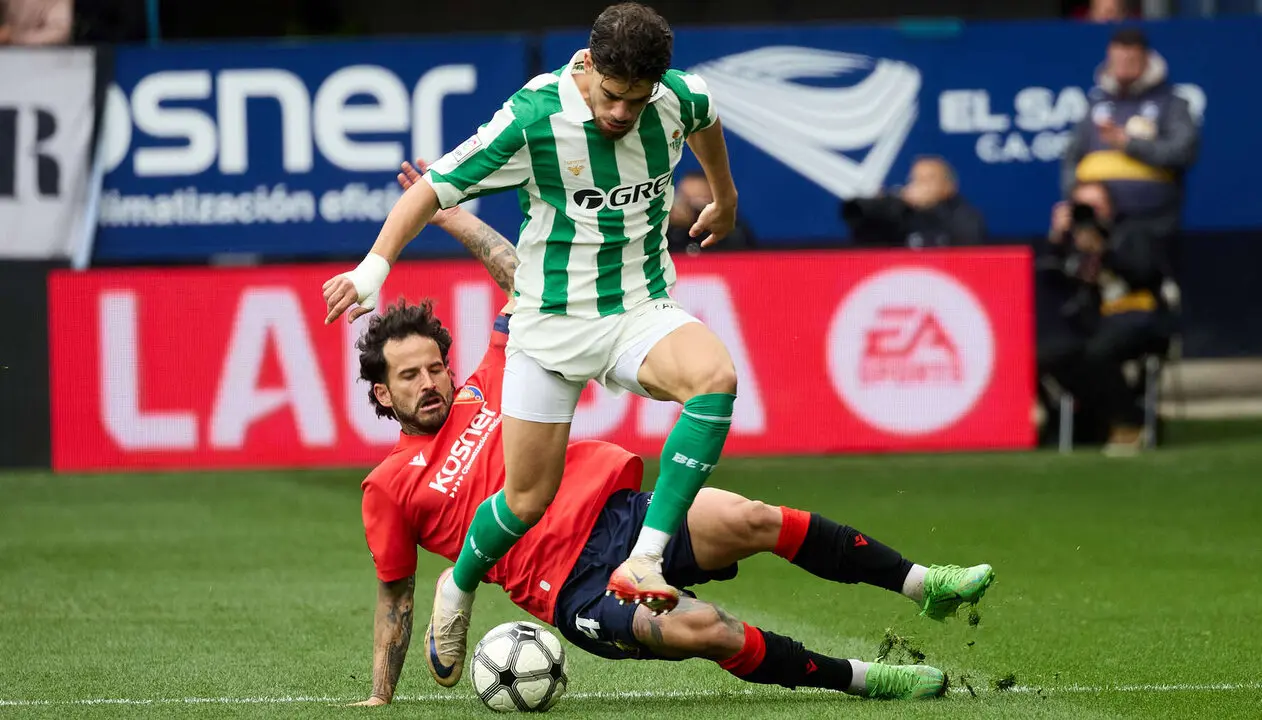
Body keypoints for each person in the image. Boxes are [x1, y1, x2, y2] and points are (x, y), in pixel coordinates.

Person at [348, 204, 996, 707]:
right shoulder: (388, 487)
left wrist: (454, 215)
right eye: (410, 376)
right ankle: (861, 680)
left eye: (434, 367)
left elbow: (527, 286)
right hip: (575, 588)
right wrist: (382, 692)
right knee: (707, 629)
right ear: (382, 391)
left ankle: (923, 585)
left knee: (749, 517)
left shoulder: (491, 382)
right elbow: (393, 596)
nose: (429, 382)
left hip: (625, 518)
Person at [322, 2, 743, 686]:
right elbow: (430, 189)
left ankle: (646, 557)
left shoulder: (677, 98)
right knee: (526, 499)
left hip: (637, 308)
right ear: (589, 65)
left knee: (715, 379)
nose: (621, 113)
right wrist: (375, 266)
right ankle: (458, 587)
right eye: (611, 96)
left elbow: (707, 120)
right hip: (548, 327)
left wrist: (723, 197)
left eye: (636, 102)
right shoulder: (533, 116)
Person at [1036, 181, 1173, 453]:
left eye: (1095, 206)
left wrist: (1104, 250)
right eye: (1082, 206)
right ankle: (1087, 421)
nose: (1090, 213)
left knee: (1098, 351)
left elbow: (1144, 274)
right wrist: (1055, 240)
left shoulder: (1132, 233)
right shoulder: (1071, 241)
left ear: (1109, 207)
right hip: (1094, 324)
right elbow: (1048, 282)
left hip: (1140, 317)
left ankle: (1129, 422)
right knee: (1049, 354)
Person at [1060, 27, 1198, 250]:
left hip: (1154, 224)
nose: (1122, 67)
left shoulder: (1171, 103)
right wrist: (1077, 192)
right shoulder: (1096, 103)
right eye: (1116, 60)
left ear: (1146, 59)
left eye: (1130, 60)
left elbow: (1184, 151)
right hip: (1099, 225)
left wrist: (1129, 144)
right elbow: (1071, 157)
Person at [840, 156, 986, 249]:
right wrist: (887, 205)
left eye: (928, 180)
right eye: (915, 180)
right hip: (904, 280)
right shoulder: (902, 210)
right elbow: (864, 236)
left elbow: (968, 244)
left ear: (948, 186)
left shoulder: (962, 214)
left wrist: (929, 209)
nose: (919, 185)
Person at [666, 169, 757, 255]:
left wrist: (697, 222)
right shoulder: (666, 229)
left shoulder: (732, 228)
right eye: (684, 198)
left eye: (696, 200)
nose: (688, 207)